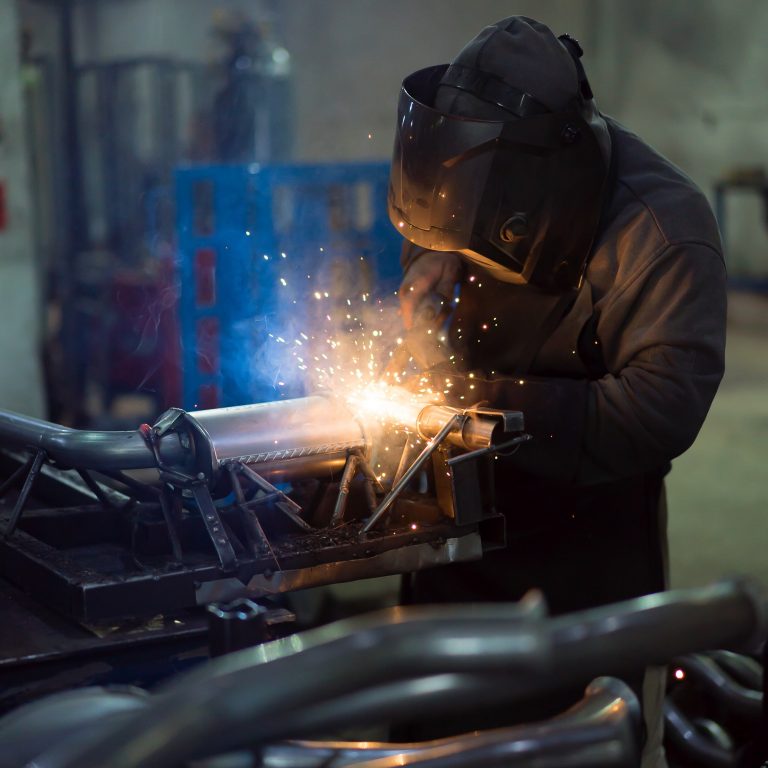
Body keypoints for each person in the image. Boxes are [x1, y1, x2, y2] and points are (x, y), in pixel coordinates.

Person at [388, 16, 726, 768]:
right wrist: (424, 282)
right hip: (454, 552)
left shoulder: (662, 232)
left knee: (572, 743)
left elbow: (661, 410)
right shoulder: (463, 167)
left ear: (539, 175)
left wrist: (482, 403)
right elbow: (431, 244)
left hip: (585, 555)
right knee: (429, 741)